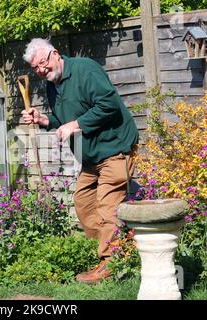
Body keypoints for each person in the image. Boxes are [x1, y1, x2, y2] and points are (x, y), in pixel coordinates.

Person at [21, 38, 139, 284]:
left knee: (107, 207)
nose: (41, 71)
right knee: (83, 203)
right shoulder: (53, 86)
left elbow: (109, 106)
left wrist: (75, 125)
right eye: (35, 68)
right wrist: (44, 120)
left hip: (115, 148)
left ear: (55, 54)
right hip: (91, 157)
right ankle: (118, 251)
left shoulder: (86, 70)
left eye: (42, 63)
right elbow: (63, 119)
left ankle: (111, 263)